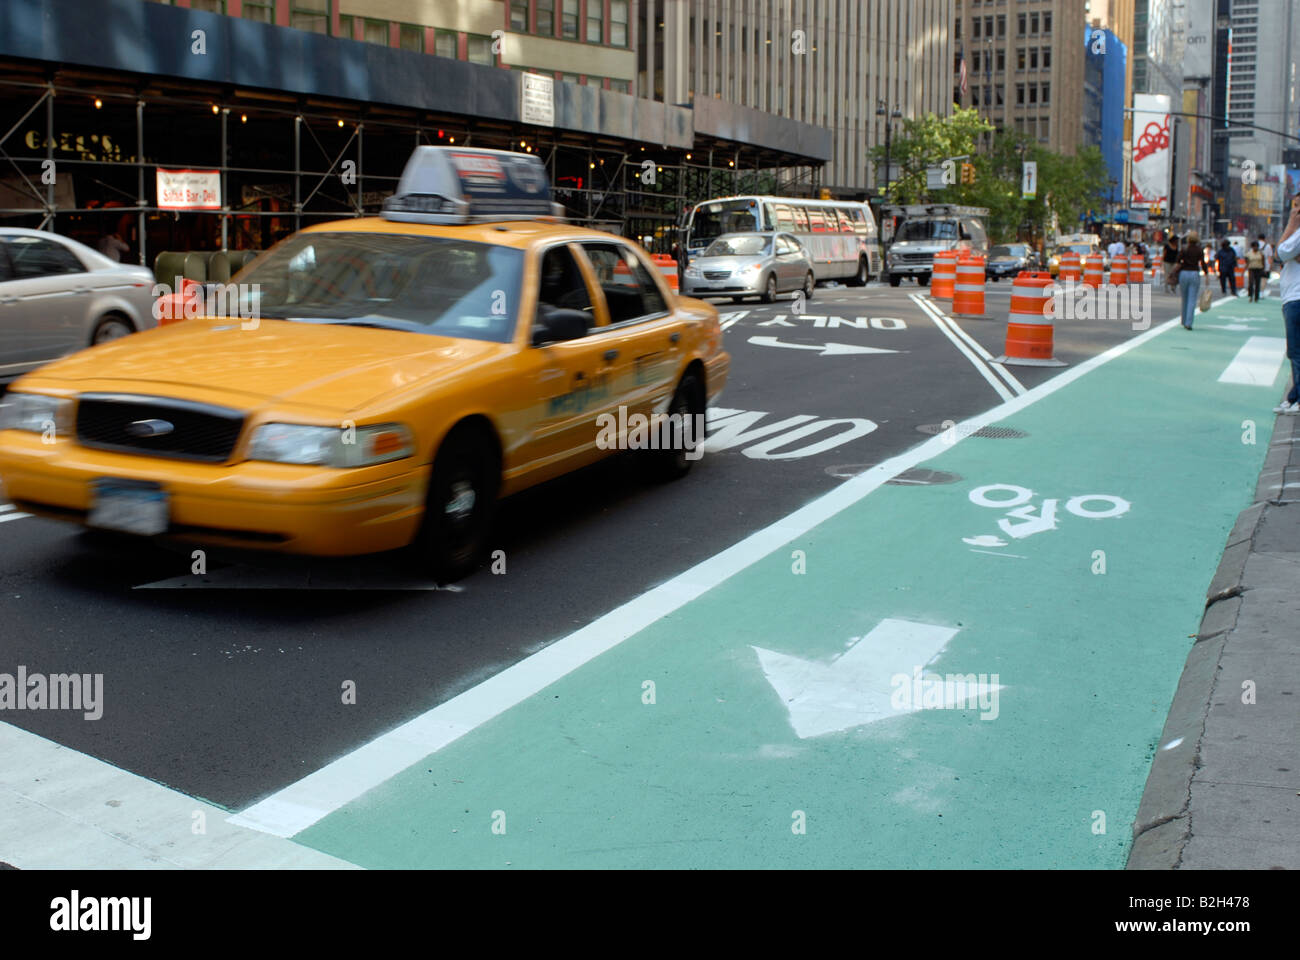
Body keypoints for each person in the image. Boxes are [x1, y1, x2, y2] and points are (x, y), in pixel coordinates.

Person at [1274, 197, 1300, 413]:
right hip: (1292, 296)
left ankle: (1297, 399)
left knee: (1296, 351)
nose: (1296, 211)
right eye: (1295, 206)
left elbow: (1280, 253)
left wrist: (1291, 225)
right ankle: (1293, 396)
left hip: (1296, 298)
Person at [1176, 232, 1208, 330]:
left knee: (1184, 298)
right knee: (1192, 299)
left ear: (1188, 239)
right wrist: (1206, 275)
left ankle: (1183, 319)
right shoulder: (1199, 250)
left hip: (1184, 273)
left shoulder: (1184, 248)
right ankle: (1188, 323)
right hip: (1194, 273)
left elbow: (1178, 260)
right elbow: (1203, 263)